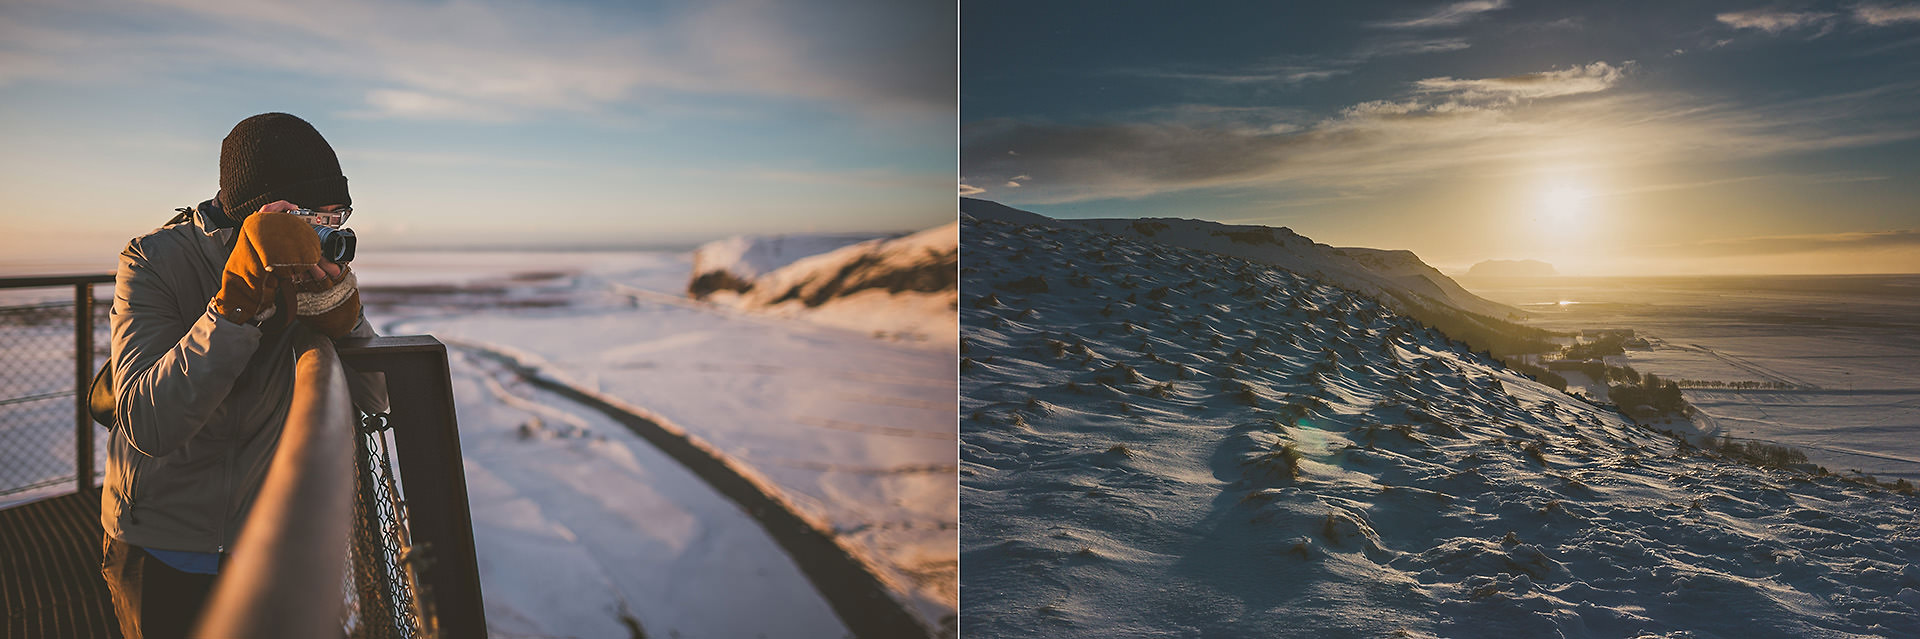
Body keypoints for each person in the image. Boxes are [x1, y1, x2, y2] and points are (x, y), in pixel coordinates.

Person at [99, 112, 388, 639]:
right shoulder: (154, 259)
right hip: (162, 540)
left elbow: (377, 399)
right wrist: (237, 305)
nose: (328, 234)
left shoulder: (303, 266)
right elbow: (149, 423)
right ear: (263, 209)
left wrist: (343, 314)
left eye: (337, 216)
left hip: (265, 540)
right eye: (313, 216)